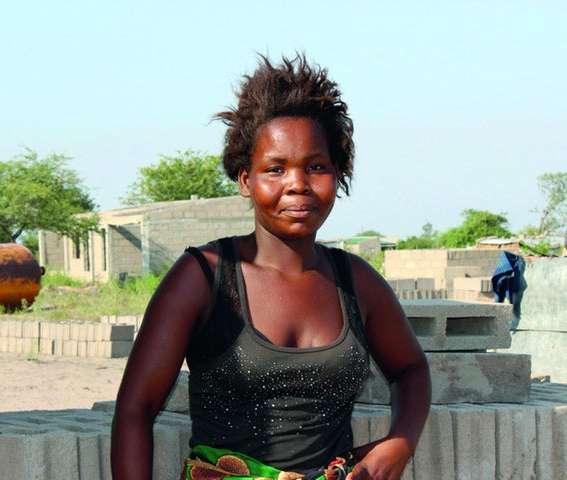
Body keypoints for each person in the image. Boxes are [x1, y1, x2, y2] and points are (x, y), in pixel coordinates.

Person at [111, 54, 431, 480]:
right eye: (275, 169)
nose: (297, 183)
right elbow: (136, 409)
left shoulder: (357, 282)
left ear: (339, 174)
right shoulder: (203, 277)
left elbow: (411, 369)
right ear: (246, 179)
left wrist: (400, 443)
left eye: (316, 167)